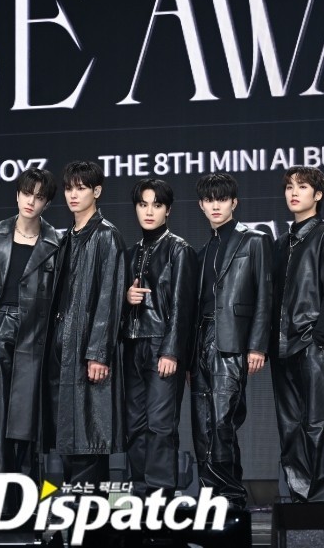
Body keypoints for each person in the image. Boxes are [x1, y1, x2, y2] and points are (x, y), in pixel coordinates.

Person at [0, 168, 61, 511]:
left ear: (47, 203)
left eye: (39, 197)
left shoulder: (56, 243)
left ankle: (25, 502)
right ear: (17, 195)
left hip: (37, 335)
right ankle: (3, 502)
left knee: (28, 425)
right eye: (26, 193)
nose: (31, 201)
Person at [43, 161, 126, 488]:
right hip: (61, 347)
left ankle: (90, 514)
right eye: (69, 188)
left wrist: (98, 353)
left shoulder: (106, 235)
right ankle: (75, 510)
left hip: (87, 349)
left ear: (97, 191)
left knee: (88, 437)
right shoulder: (66, 238)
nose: (73, 195)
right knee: (67, 438)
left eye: (81, 188)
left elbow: (109, 296)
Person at [191, 173, 271, 509]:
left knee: (223, 421)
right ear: (201, 205)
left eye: (222, 199)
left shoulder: (254, 241)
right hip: (201, 341)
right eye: (209, 200)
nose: (215, 206)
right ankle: (212, 497)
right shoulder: (201, 251)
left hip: (232, 341)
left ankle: (231, 498)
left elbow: (265, 295)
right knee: (202, 425)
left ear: (234, 203)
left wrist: (257, 345)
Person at [270, 166, 324, 503]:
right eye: (289, 187)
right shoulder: (280, 244)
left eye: (301, 187)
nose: (293, 193)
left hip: (311, 342)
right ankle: (300, 499)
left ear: (318, 195)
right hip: (281, 345)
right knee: (290, 427)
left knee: (318, 424)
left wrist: (319, 339)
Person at [121, 178, 197, 498]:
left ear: (168, 210)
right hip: (133, 345)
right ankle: (141, 493)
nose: (149, 211)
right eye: (143, 204)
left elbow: (182, 306)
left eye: (156, 205)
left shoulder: (179, 250)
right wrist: (126, 299)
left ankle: (160, 496)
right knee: (134, 425)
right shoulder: (131, 252)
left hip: (161, 347)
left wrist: (171, 351)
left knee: (160, 425)